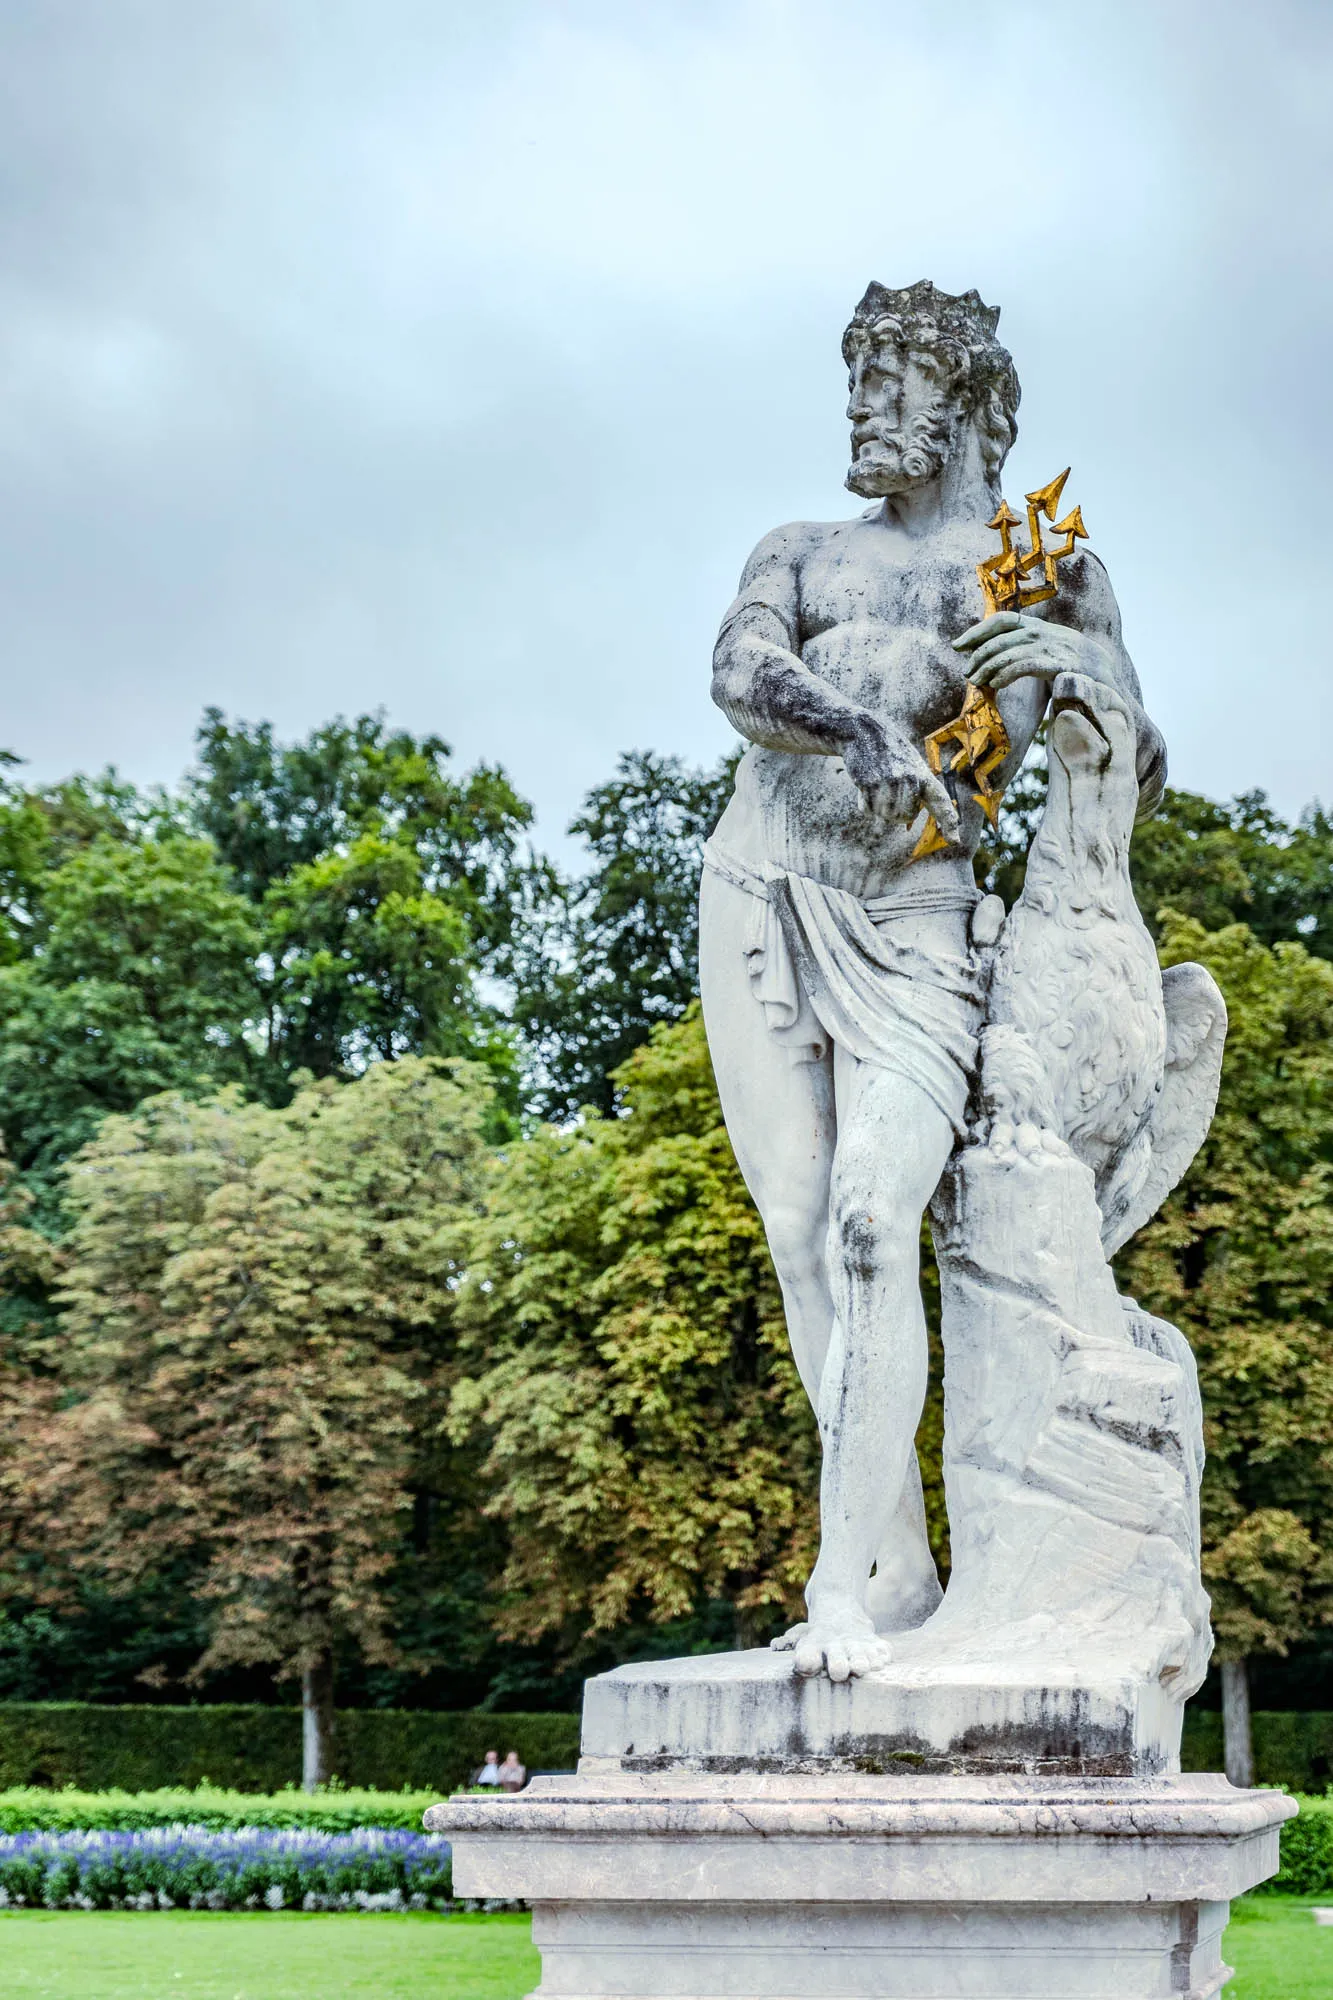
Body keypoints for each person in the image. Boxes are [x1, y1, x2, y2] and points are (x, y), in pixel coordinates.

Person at [700, 279, 1164, 1683]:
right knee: (797, 1235)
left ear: (967, 405)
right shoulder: (802, 550)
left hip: (918, 916)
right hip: (763, 888)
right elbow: (736, 671)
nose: (860, 409)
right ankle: (888, 1558)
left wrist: (1086, 668)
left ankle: (845, 1586)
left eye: (889, 384)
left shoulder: (1042, 559)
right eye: (854, 383)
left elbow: (1136, 768)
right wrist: (849, 723)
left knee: (867, 1218)